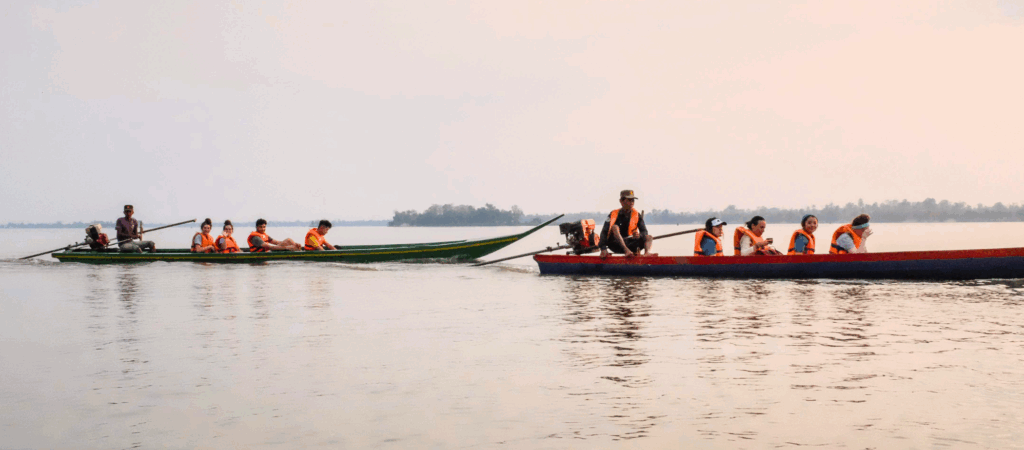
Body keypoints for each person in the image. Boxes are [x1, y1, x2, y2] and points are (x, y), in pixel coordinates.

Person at [599, 189, 655, 258]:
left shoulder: (637, 214)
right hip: (616, 245)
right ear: (621, 201)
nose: (631, 202)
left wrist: (639, 235)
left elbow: (644, 231)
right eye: (629, 200)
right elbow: (604, 232)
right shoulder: (613, 214)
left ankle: (647, 253)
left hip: (630, 243)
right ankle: (626, 251)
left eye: (633, 200)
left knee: (649, 237)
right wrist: (603, 248)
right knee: (615, 227)